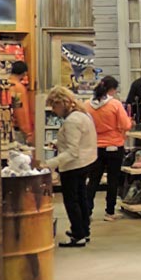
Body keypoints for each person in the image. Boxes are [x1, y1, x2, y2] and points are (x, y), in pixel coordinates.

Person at [42, 86, 98, 247]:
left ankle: (78, 235)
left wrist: (49, 164)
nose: (54, 111)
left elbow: (72, 151)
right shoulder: (83, 114)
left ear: (62, 103)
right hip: (85, 162)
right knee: (81, 198)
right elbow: (78, 141)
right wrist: (57, 143)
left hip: (73, 166)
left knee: (71, 201)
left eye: (54, 106)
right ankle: (83, 231)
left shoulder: (72, 120)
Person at [87, 76, 132, 222]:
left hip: (95, 146)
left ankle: (87, 211)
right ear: (112, 89)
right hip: (114, 145)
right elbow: (126, 125)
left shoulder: (87, 104)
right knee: (113, 180)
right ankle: (110, 212)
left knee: (93, 180)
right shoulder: (115, 104)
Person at [7, 60, 35, 145]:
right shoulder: (18, 88)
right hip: (16, 131)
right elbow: (20, 110)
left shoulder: (5, 84)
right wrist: (27, 132)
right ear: (24, 73)